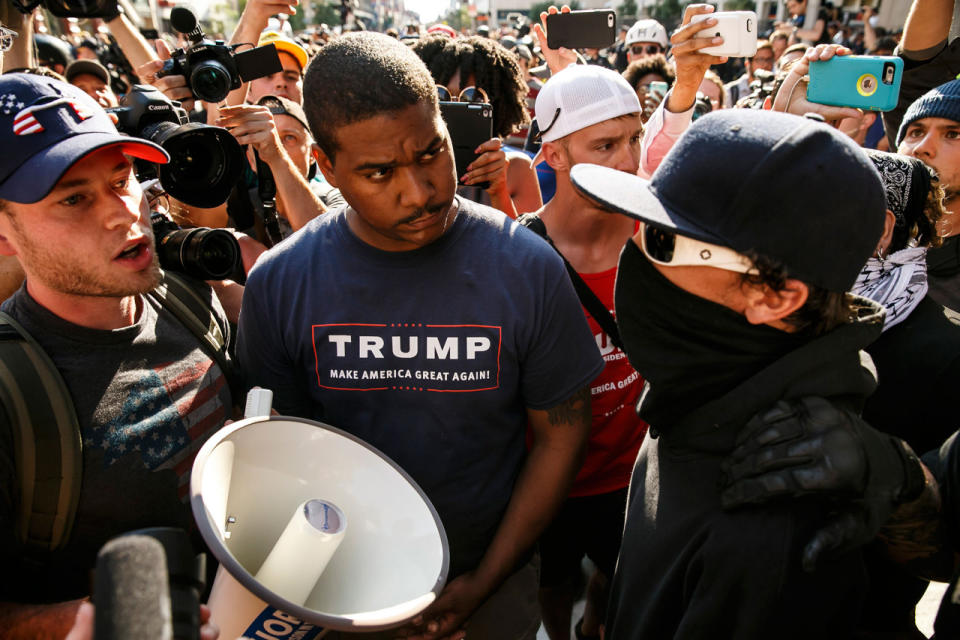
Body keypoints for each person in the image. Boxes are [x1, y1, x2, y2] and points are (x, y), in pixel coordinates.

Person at [235, 32, 603, 640]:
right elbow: (281, 458)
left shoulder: (528, 268)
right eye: (379, 172)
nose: (420, 191)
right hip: (337, 594)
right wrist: (349, 592)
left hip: (494, 585)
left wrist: (483, 580)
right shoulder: (280, 283)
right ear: (326, 165)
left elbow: (560, 439)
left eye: (431, 153)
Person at [569, 108, 890, 638]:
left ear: (776, 296)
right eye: (641, 226)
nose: (634, 250)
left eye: (664, 241)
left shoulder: (774, 532)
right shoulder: (694, 396)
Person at [0, 74, 235, 638]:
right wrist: (89, 620)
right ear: (4, 233)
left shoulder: (190, 299)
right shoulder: (10, 392)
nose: (122, 212)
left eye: (123, 178)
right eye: (74, 198)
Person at [524, 64, 647, 640]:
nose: (627, 160)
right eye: (605, 144)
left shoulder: (660, 239)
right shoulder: (521, 256)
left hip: (638, 476)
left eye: (634, 138)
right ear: (554, 155)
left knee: (619, 582)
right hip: (549, 481)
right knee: (554, 583)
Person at [412, 33, 542, 217]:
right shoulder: (407, 165)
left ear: (496, 101)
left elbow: (528, 244)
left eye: (472, 97)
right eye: (440, 95)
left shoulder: (518, 169)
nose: (456, 105)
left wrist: (499, 191)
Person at [723, 40, 774, 107]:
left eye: (769, 59)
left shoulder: (775, 90)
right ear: (748, 63)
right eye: (760, 60)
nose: (765, 64)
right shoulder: (731, 92)